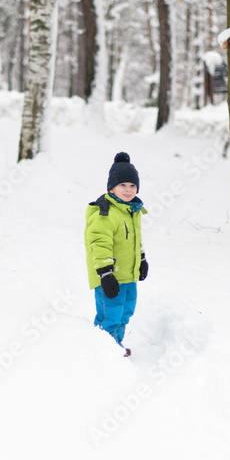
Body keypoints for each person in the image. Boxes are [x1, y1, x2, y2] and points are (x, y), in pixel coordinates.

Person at [84, 152, 149, 357]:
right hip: (110, 277)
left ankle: (115, 346)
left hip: (128, 275)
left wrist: (142, 259)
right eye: (123, 186)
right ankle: (103, 351)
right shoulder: (105, 213)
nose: (128, 190)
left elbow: (135, 240)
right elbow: (99, 244)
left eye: (132, 186)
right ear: (111, 188)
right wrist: (105, 274)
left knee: (125, 312)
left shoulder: (132, 210)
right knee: (110, 315)